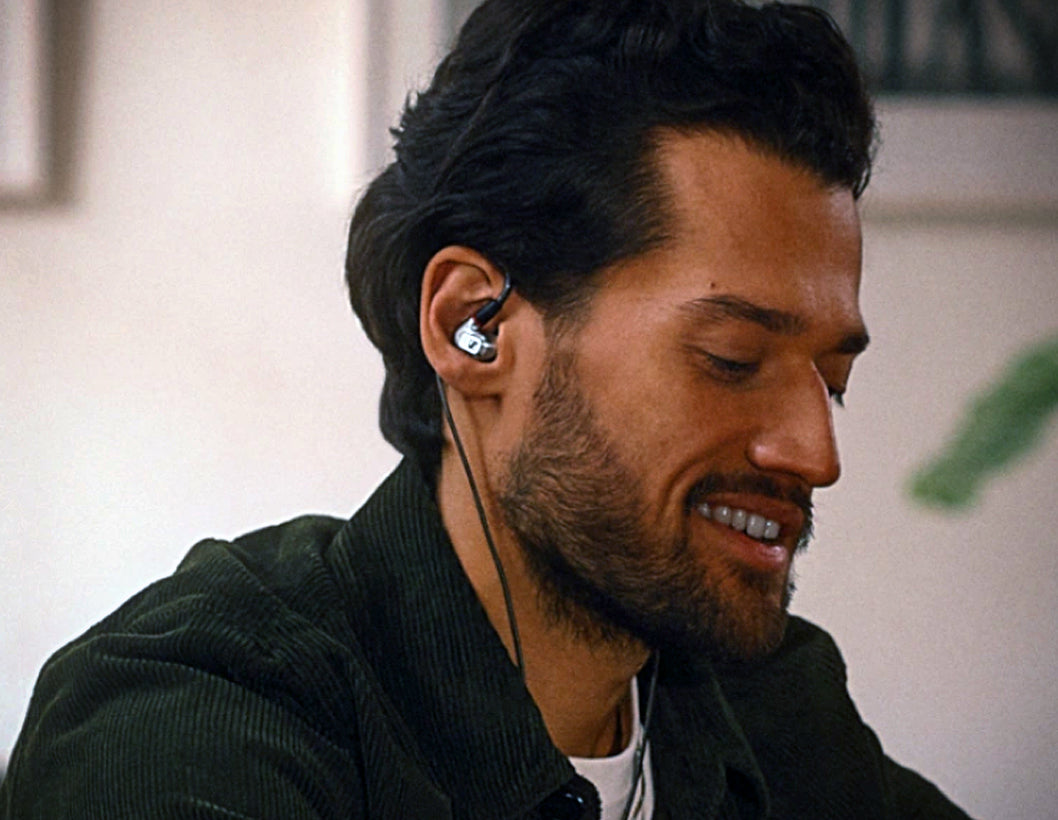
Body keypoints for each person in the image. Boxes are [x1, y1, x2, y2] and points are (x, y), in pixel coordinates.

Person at [1, 1, 973, 818]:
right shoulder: (192, 720)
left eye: (831, 379)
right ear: (475, 326)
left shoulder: (770, 704)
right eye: (731, 359)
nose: (815, 452)